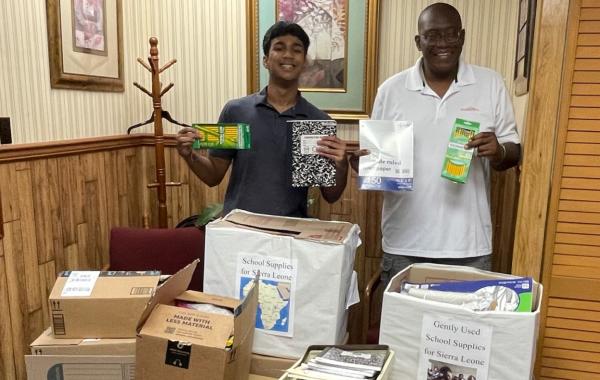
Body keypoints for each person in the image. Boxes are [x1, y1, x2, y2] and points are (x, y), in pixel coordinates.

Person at [360, 3, 521, 285]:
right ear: (418, 41)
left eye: (450, 35)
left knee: (465, 330)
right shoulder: (391, 90)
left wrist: (499, 150)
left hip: (469, 246)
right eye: (432, 36)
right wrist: (364, 164)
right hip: (404, 245)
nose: (443, 43)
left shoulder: (490, 83)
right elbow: (380, 163)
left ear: (462, 37)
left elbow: (513, 151)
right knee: (403, 330)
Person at [176, 21, 348, 217]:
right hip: (241, 229)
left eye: (297, 49)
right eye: (279, 48)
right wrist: (190, 156)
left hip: (290, 232)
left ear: (304, 61)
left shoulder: (317, 121)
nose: (288, 55)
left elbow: (331, 195)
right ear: (266, 60)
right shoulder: (236, 111)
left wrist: (341, 166)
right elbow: (214, 175)